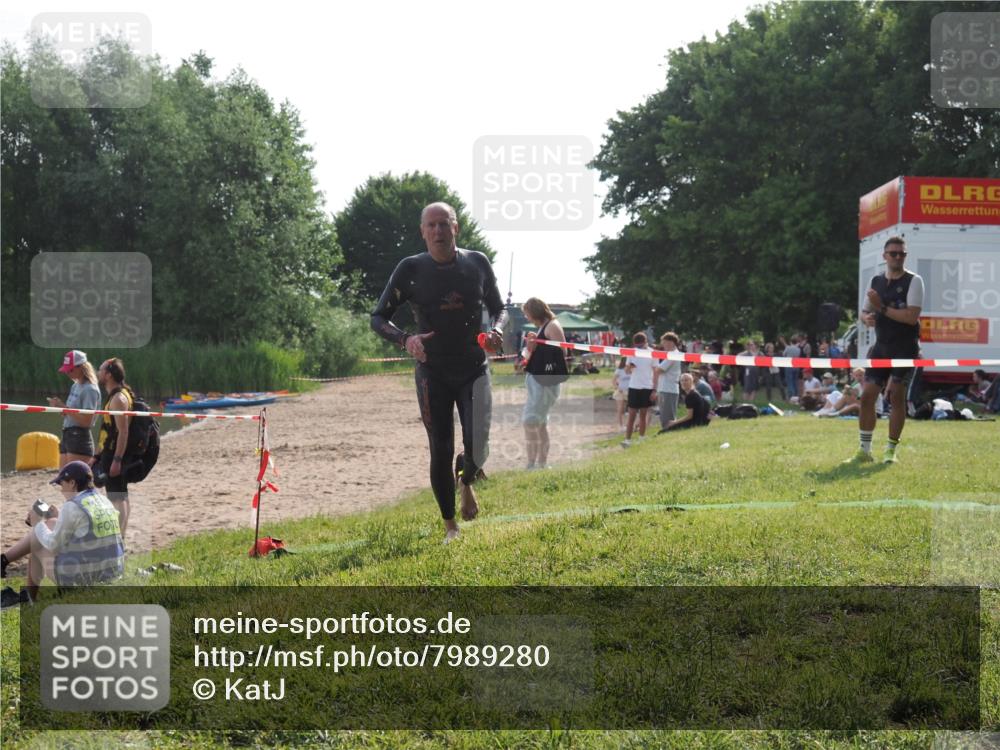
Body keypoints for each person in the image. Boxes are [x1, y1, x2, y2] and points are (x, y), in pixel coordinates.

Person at [370, 202, 507, 542]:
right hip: (434, 373)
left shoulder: (476, 263)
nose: (437, 231)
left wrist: (497, 333)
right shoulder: (411, 269)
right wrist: (406, 340)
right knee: (440, 447)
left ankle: (467, 477)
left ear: (455, 228)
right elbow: (378, 317)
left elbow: (499, 309)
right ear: (422, 232)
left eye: (444, 224)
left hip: (474, 368)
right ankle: (450, 526)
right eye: (430, 225)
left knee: (479, 447)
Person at [0, 461, 124, 609]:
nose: (61, 490)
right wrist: (58, 518)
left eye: (61, 484)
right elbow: (86, 532)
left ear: (72, 483)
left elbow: (52, 544)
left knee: (37, 544)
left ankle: (29, 597)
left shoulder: (72, 506)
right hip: (112, 573)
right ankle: (4, 562)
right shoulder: (103, 500)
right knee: (52, 522)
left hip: (86, 580)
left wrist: (37, 523)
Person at [844, 236, 924, 464]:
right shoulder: (876, 281)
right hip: (880, 347)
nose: (898, 257)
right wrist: (867, 318)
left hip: (905, 348)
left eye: (902, 254)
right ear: (885, 256)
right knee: (867, 396)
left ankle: (891, 450)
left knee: (895, 396)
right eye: (894, 253)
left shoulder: (914, 281)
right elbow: (864, 312)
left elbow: (910, 317)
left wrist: (881, 308)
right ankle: (864, 450)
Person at [521, 297, 566, 470]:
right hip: (539, 382)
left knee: (530, 422)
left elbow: (561, 351)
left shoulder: (552, 326)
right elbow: (534, 353)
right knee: (539, 424)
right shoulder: (544, 327)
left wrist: (537, 345)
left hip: (545, 383)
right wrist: (533, 345)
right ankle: (540, 464)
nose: (527, 317)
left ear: (534, 312)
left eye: (527, 314)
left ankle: (533, 464)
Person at [95, 358, 133, 538]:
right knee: (121, 495)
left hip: (116, 454)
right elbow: (109, 430)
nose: (97, 373)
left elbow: (123, 432)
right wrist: (97, 455)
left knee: (117, 498)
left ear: (108, 375)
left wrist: (117, 460)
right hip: (110, 452)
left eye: (100, 370)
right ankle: (120, 537)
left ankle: (119, 538)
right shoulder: (116, 396)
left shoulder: (118, 398)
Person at [47, 350, 101, 467]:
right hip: (67, 434)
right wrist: (59, 407)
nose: (67, 372)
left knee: (76, 481)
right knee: (63, 478)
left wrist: (65, 408)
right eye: (66, 369)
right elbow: (70, 414)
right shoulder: (75, 385)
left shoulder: (90, 389)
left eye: (70, 369)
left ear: (81, 367)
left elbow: (87, 421)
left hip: (79, 437)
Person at [622, 332, 654, 447]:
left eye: (640, 346)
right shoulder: (632, 352)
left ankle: (641, 437)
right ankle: (627, 440)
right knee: (631, 415)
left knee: (643, 414)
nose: (638, 348)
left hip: (647, 386)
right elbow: (626, 371)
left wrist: (654, 389)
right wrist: (629, 367)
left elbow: (655, 371)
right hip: (634, 386)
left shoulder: (652, 353)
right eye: (637, 346)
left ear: (646, 343)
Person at [653, 332, 682, 430]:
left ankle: (668, 432)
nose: (663, 345)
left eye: (665, 342)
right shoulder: (671, 354)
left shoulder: (673, 355)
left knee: (667, 417)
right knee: (664, 416)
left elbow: (659, 369)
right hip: (665, 388)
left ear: (671, 342)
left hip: (668, 389)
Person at [612, 357, 630, 429]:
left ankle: (628, 424)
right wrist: (618, 388)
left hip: (629, 391)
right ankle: (620, 425)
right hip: (621, 391)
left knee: (629, 409)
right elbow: (613, 381)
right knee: (620, 409)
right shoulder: (619, 370)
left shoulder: (631, 370)